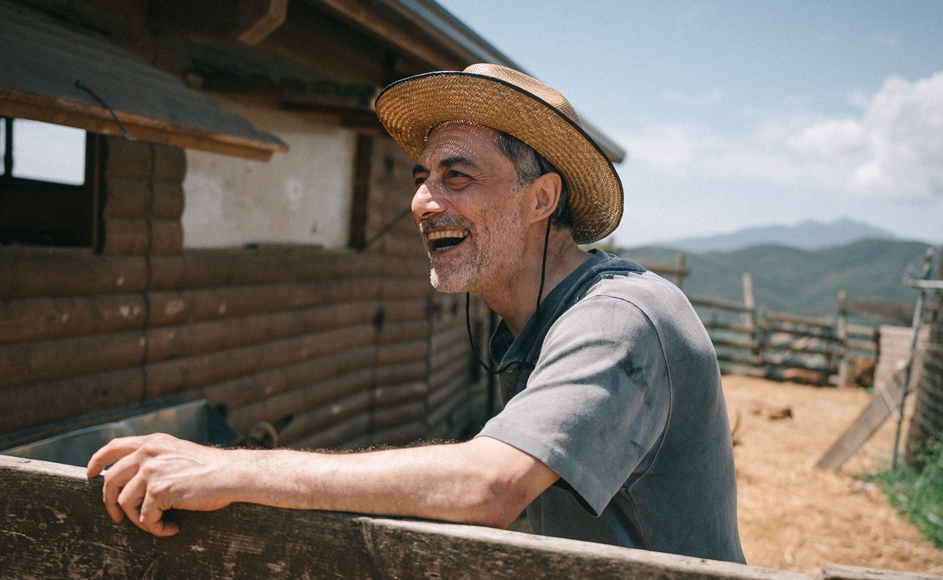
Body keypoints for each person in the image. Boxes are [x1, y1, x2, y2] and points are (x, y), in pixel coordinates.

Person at [87, 64, 745, 563]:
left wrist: (231, 469)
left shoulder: (617, 316)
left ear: (541, 198)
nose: (423, 202)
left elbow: (489, 486)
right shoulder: (535, 322)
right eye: (420, 177)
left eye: (456, 175)